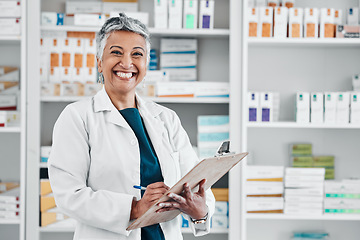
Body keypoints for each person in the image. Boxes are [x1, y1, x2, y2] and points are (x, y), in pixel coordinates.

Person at [48, 13, 215, 240]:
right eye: (116, 52)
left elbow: (196, 183)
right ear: (99, 61)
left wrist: (200, 212)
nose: (127, 63)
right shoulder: (77, 117)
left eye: (137, 54)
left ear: (146, 64)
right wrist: (134, 208)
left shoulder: (166, 118)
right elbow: (69, 195)